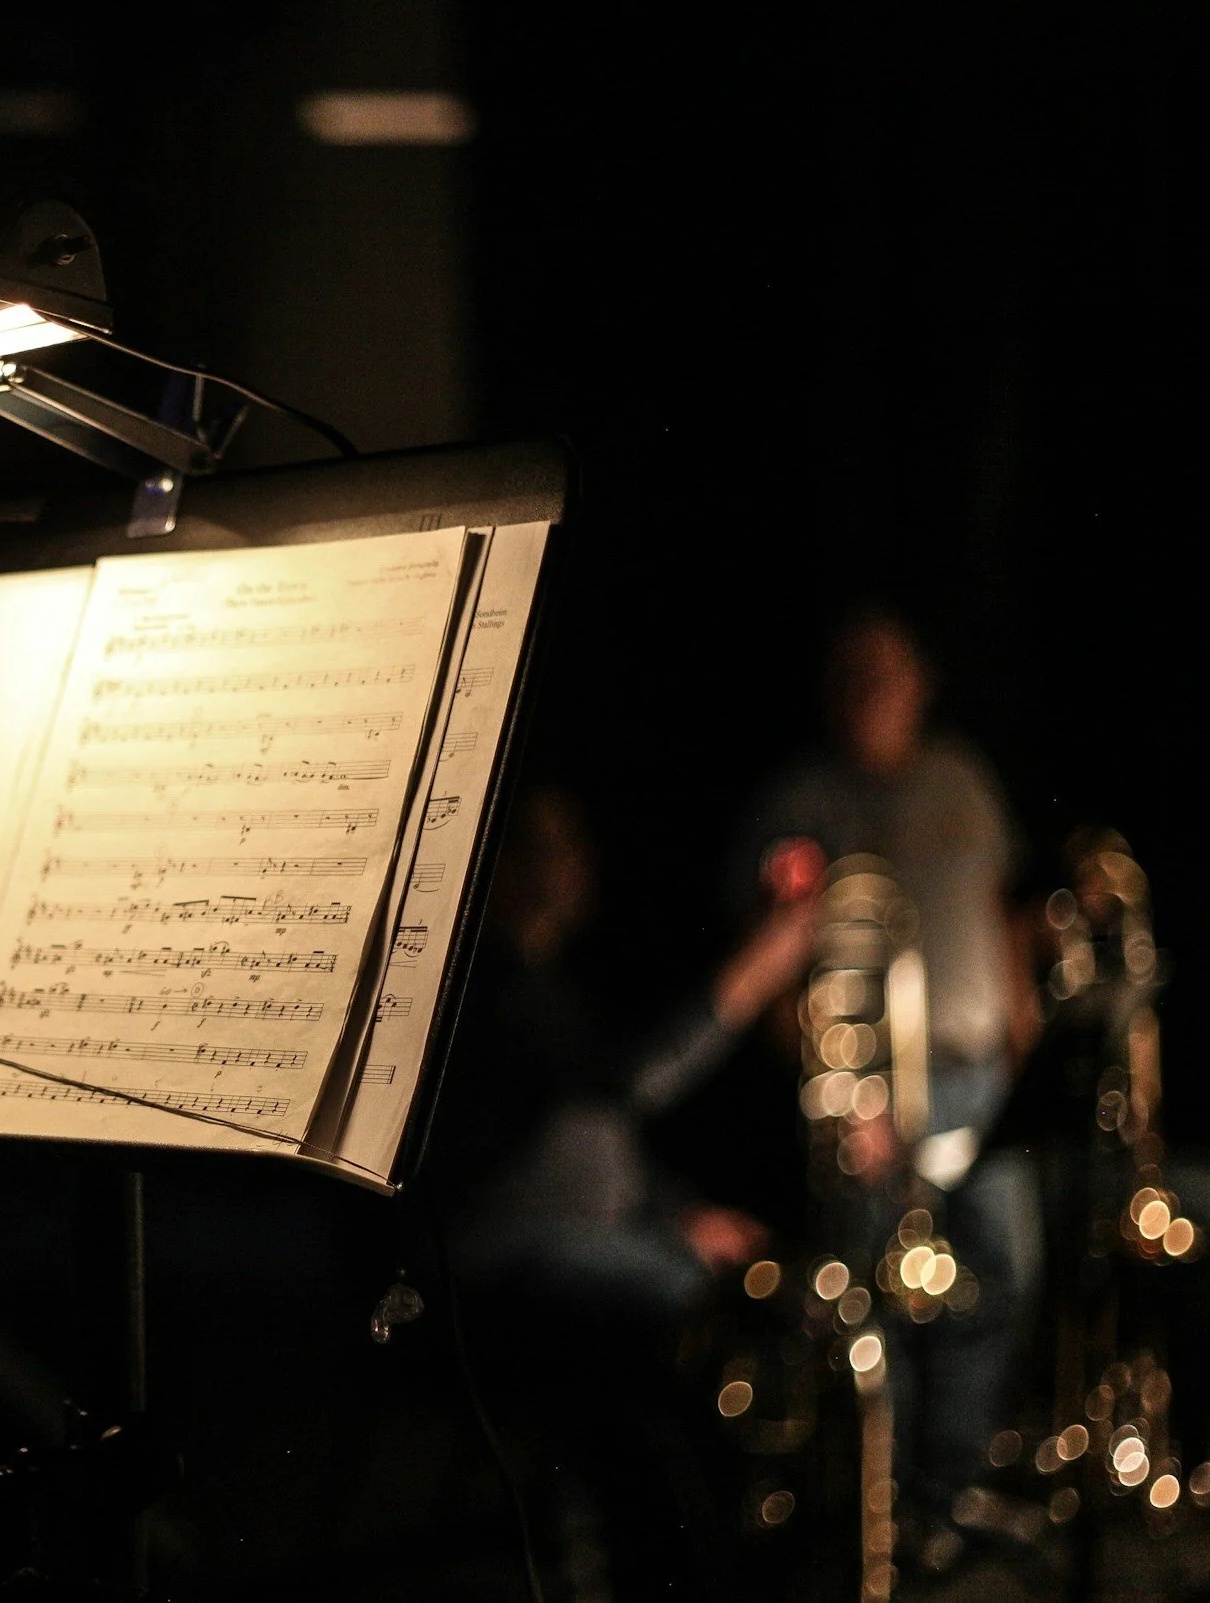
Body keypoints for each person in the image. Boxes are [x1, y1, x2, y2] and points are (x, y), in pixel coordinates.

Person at [735, 608, 1041, 1545]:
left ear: (924, 682)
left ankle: (949, 1490)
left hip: (980, 1077)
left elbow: (997, 912)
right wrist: (839, 1093)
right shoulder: (799, 799)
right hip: (871, 1098)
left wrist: (1022, 1037)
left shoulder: (961, 776)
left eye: (890, 672)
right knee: (884, 1295)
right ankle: (890, 1507)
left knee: (1004, 1273)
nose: (874, 691)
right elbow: (772, 979)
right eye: (853, 674)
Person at [444, 784, 819, 1329]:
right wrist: (755, 972)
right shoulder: (484, 989)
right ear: (496, 863)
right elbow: (628, 1081)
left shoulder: (553, 984)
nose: (572, 861)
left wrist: (681, 1217)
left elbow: (598, 1137)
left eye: (569, 843)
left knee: (758, 1275)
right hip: (507, 1247)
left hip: (583, 1233)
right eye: (544, 845)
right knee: (696, 1304)